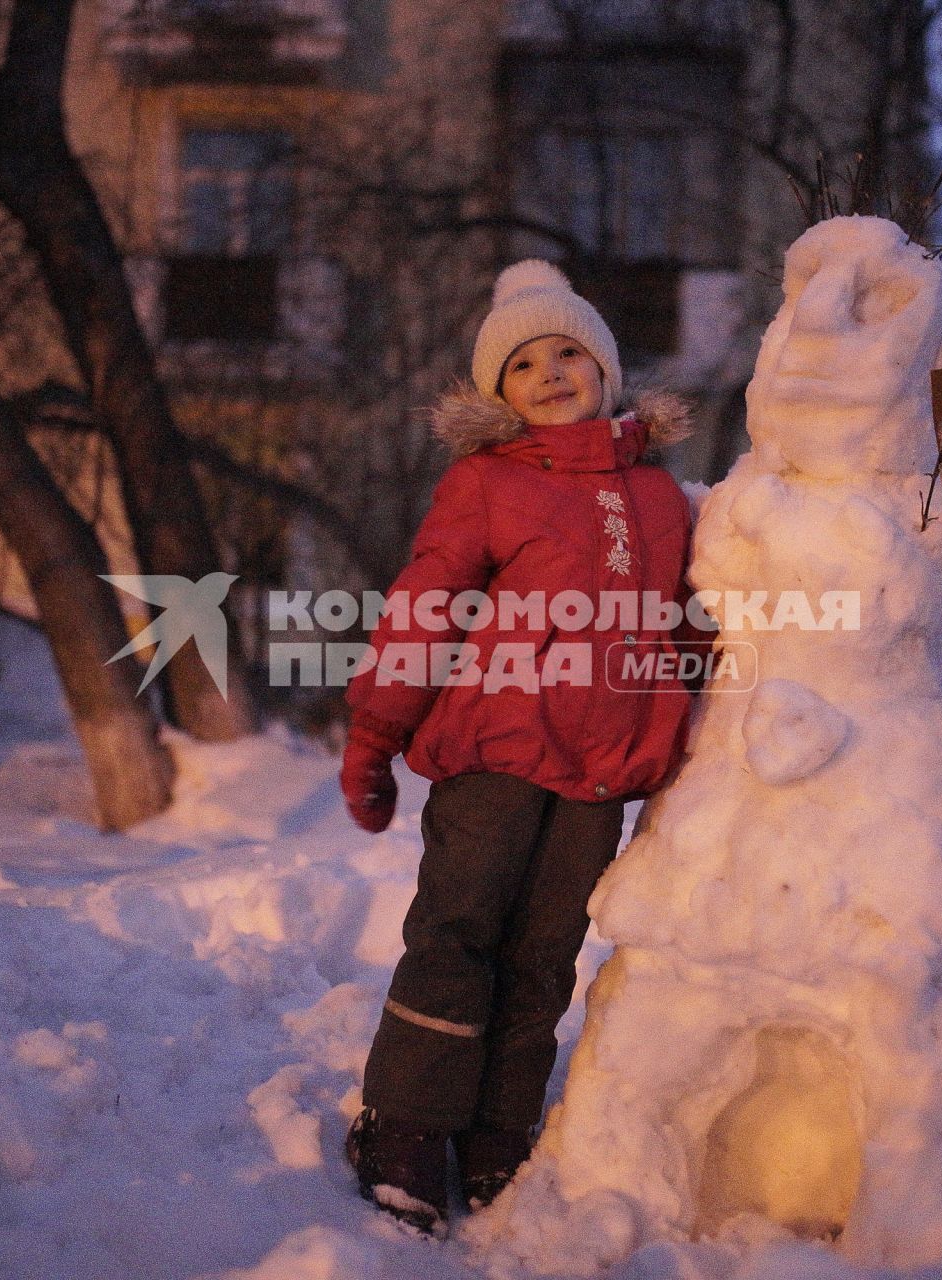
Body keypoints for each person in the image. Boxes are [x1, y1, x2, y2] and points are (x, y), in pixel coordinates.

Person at [338, 260, 704, 1235]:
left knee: (547, 951)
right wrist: (376, 731)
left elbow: (687, 623)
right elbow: (428, 602)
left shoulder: (662, 500)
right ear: (499, 393)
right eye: (523, 363)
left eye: (569, 352)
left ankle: (497, 1128)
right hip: (496, 748)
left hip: (599, 771)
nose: (550, 372)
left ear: (607, 368)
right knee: (460, 928)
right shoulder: (487, 482)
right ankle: (409, 1121)